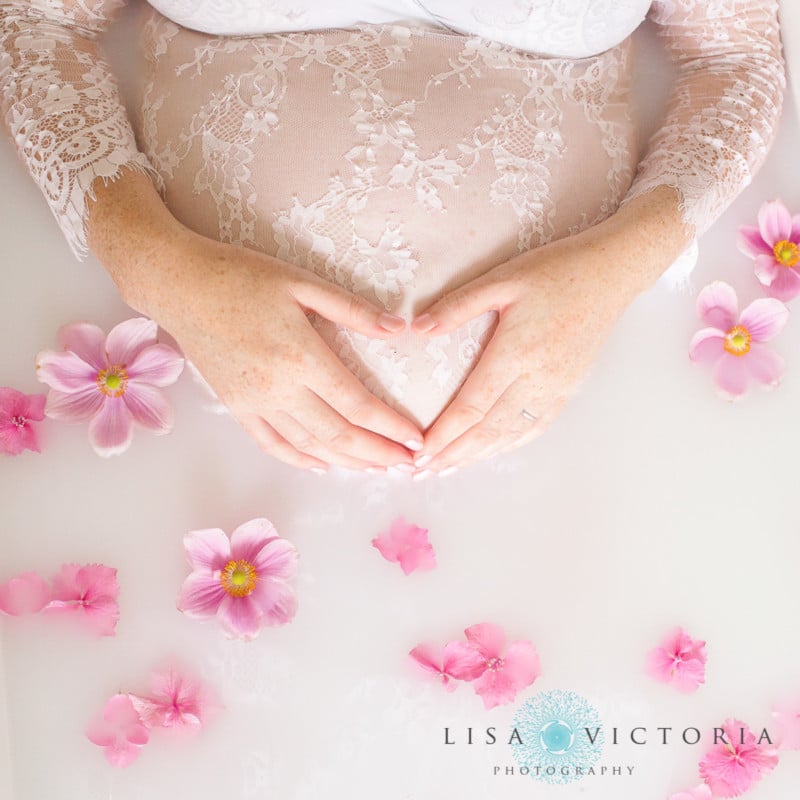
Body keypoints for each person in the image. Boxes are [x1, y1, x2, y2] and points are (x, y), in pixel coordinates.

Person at [0, 0, 785, 476]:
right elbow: (39, 23)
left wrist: (618, 267)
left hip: (624, 440)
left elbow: (736, 56)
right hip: (147, 434)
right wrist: (160, 271)